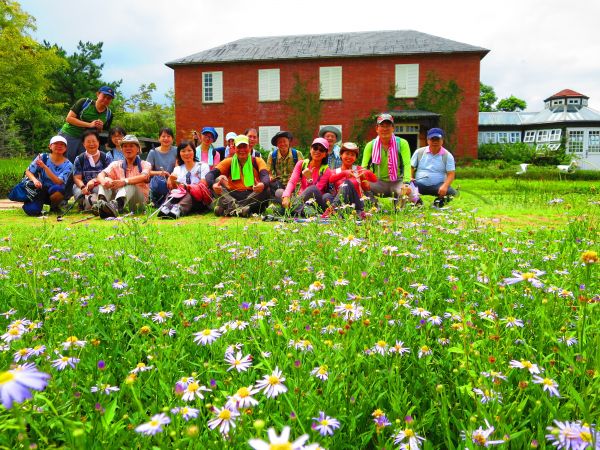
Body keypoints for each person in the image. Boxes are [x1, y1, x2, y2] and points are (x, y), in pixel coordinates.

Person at [205, 135, 270, 217]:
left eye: (244, 147)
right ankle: (240, 210)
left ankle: (228, 210)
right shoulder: (229, 161)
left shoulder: (257, 161)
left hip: (252, 195)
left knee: (265, 188)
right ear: (234, 148)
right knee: (216, 181)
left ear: (249, 147)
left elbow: (265, 176)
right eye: (239, 147)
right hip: (232, 196)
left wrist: (262, 184)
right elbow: (210, 175)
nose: (242, 150)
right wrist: (213, 185)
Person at [96, 135, 151, 217]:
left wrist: (124, 181)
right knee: (106, 179)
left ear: (138, 149)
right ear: (121, 149)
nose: (128, 148)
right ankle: (101, 205)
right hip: (119, 199)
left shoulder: (145, 164)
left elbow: (144, 177)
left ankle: (115, 206)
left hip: (138, 203)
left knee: (130, 184)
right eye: (125, 146)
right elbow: (101, 174)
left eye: (131, 146)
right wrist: (104, 182)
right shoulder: (116, 164)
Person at [361, 114, 412, 201]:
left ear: (393, 128)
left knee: (408, 192)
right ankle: (374, 205)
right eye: (382, 126)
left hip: (397, 181)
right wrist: (363, 181)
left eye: (388, 126)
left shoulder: (402, 143)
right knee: (360, 186)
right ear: (377, 128)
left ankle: (399, 208)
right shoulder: (370, 145)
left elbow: (407, 164)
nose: (385, 129)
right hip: (378, 182)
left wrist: (406, 183)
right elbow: (364, 167)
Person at [59, 86, 115, 162]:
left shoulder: (109, 114)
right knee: (65, 161)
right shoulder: (84, 103)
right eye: (104, 96)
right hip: (70, 134)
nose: (106, 99)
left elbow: (102, 131)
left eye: (109, 98)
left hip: (87, 141)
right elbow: (69, 118)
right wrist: (89, 125)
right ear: (98, 94)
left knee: (83, 164)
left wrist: (99, 128)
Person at [21, 136, 74, 216]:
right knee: (32, 211)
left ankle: (54, 207)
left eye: (62, 144)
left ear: (65, 148)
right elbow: (28, 172)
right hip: (39, 188)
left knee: (58, 189)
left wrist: (45, 167)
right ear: (50, 146)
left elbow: (58, 181)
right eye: (56, 144)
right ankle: (32, 203)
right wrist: (35, 180)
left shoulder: (68, 164)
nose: (59, 146)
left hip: (54, 191)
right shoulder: (42, 157)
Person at [157, 142, 211, 219]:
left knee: (188, 192)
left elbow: (203, 185)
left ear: (194, 152)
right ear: (179, 154)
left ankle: (178, 209)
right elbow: (174, 188)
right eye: (183, 151)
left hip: (198, 199)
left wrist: (187, 187)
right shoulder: (177, 169)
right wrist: (172, 180)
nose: (186, 153)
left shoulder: (203, 166)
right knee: (174, 192)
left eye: (189, 150)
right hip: (180, 197)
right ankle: (166, 208)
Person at [280, 137, 332, 217]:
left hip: (315, 202)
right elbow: (292, 182)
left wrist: (309, 179)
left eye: (321, 150)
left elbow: (315, 192)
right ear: (311, 149)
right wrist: (286, 196)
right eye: (315, 148)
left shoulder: (326, 170)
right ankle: (300, 210)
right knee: (279, 192)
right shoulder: (301, 164)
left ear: (325, 154)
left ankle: (289, 208)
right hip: (301, 200)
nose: (317, 151)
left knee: (313, 189)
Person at [325, 142, 377, 219]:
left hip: (358, 202)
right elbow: (331, 179)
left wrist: (364, 175)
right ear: (341, 155)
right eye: (347, 154)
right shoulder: (335, 171)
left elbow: (373, 181)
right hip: (343, 202)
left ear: (355, 158)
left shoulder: (359, 169)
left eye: (352, 155)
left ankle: (332, 210)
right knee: (326, 196)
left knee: (347, 183)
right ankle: (342, 213)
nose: (349, 157)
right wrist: (344, 173)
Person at [411, 128, 457, 208]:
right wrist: (410, 178)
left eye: (438, 139)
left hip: (438, 186)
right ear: (428, 140)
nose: (435, 142)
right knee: (405, 187)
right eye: (432, 139)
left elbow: (451, 174)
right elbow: (411, 167)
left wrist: (445, 186)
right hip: (419, 184)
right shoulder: (419, 152)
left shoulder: (447, 155)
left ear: (442, 140)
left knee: (451, 192)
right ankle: (418, 203)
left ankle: (437, 205)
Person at [72, 130, 113, 211]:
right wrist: (83, 187)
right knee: (79, 193)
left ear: (98, 142)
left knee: (102, 191)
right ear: (83, 144)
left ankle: (99, 205)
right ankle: (84, 205)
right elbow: (77, 178)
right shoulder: (79, 158)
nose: (91, 144)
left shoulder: (105, 157)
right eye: (88, 142)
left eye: (94, 141)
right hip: (83, 185)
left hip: (99, 184)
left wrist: (94, 181)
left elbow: (108, 175)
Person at [146, 127, 178, 207]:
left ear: (172, 139)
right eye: (163, 136)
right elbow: (147, 171)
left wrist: (171, 178)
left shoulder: (176, 150)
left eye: (168, 136)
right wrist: (160, 173)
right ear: (159, 138)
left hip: (173, 179)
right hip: (158, 181)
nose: (166, 138)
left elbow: (178, 167)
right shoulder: (153, 152)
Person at [266, 131, 304, 196]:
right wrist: (271, 176)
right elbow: (268, 170)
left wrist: (298, 178)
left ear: (289, 142)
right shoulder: (272, 155)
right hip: (279, 184)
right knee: (272, 187)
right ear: (277, 144)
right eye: (280, 142)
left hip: (294, 184)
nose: (282, 144)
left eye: (284, 141)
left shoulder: (297, 154)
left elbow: (303, 170)